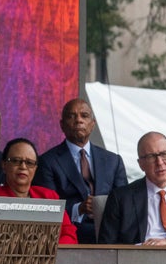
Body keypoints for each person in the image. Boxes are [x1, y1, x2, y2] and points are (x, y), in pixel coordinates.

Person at [33, 98, 127, 243]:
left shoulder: (113, 161)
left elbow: (124, 203)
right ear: (62, 125)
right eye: (71, 116)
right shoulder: (47, 161)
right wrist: (79, 209)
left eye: (84, 115)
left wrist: (102, 207)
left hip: (110, 232)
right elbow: (47, 209)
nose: (78, 120)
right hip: (70, 231)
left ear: (92, 124)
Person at [98, 132, 166, 246]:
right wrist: (141, 248)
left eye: (164, 154)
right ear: (141, 164)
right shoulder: (121, 198)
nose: (160, 162)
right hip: (138, 259)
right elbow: (106, 245)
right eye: (151, 157)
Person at [0, 138, 78, 244]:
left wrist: (49, 251)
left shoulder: (49, 197)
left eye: (29, 163)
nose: (23, 167)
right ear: (4, 165)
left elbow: (69, 234)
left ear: (35, 168)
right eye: (16, 161)